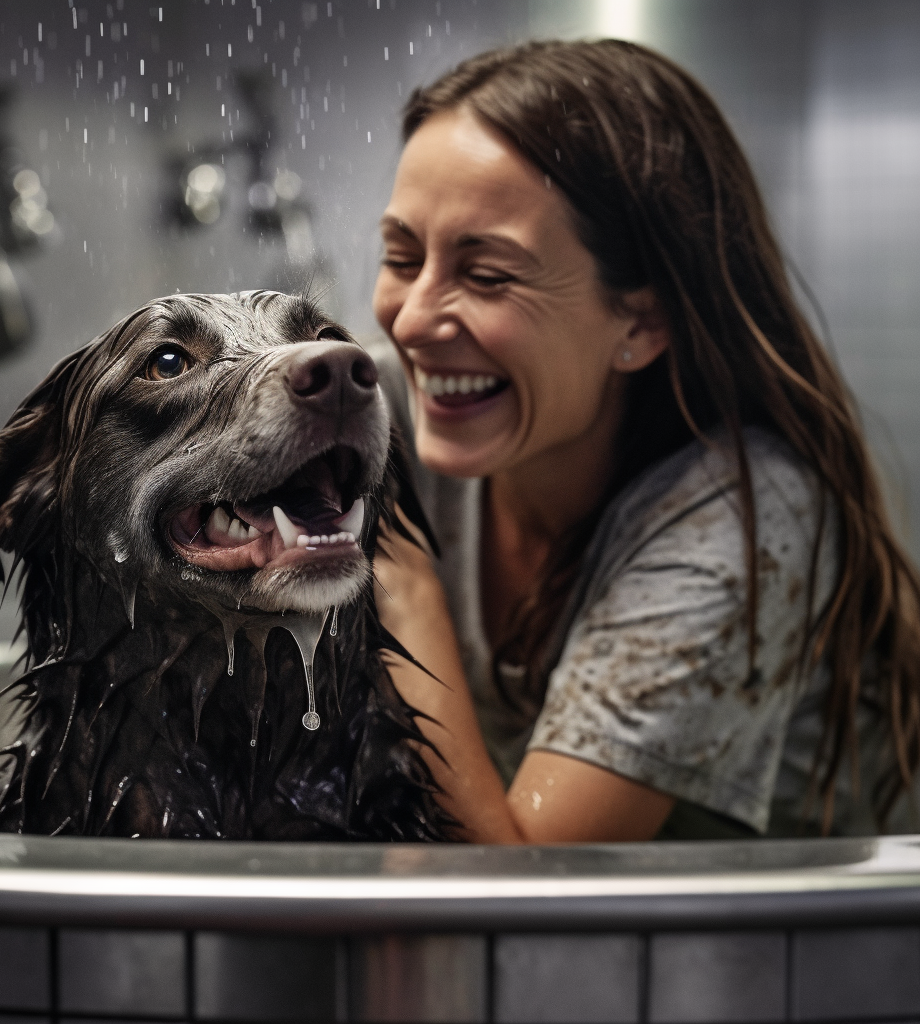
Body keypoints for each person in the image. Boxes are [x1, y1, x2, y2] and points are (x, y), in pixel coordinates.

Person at [369, 38, 920, 843]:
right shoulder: (381, 409)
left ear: (643, 320)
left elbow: (524, 904)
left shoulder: (744, 524)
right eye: (401, 256)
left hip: (814, 957)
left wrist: (402, 586)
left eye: (487, 275)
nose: (412, 320)